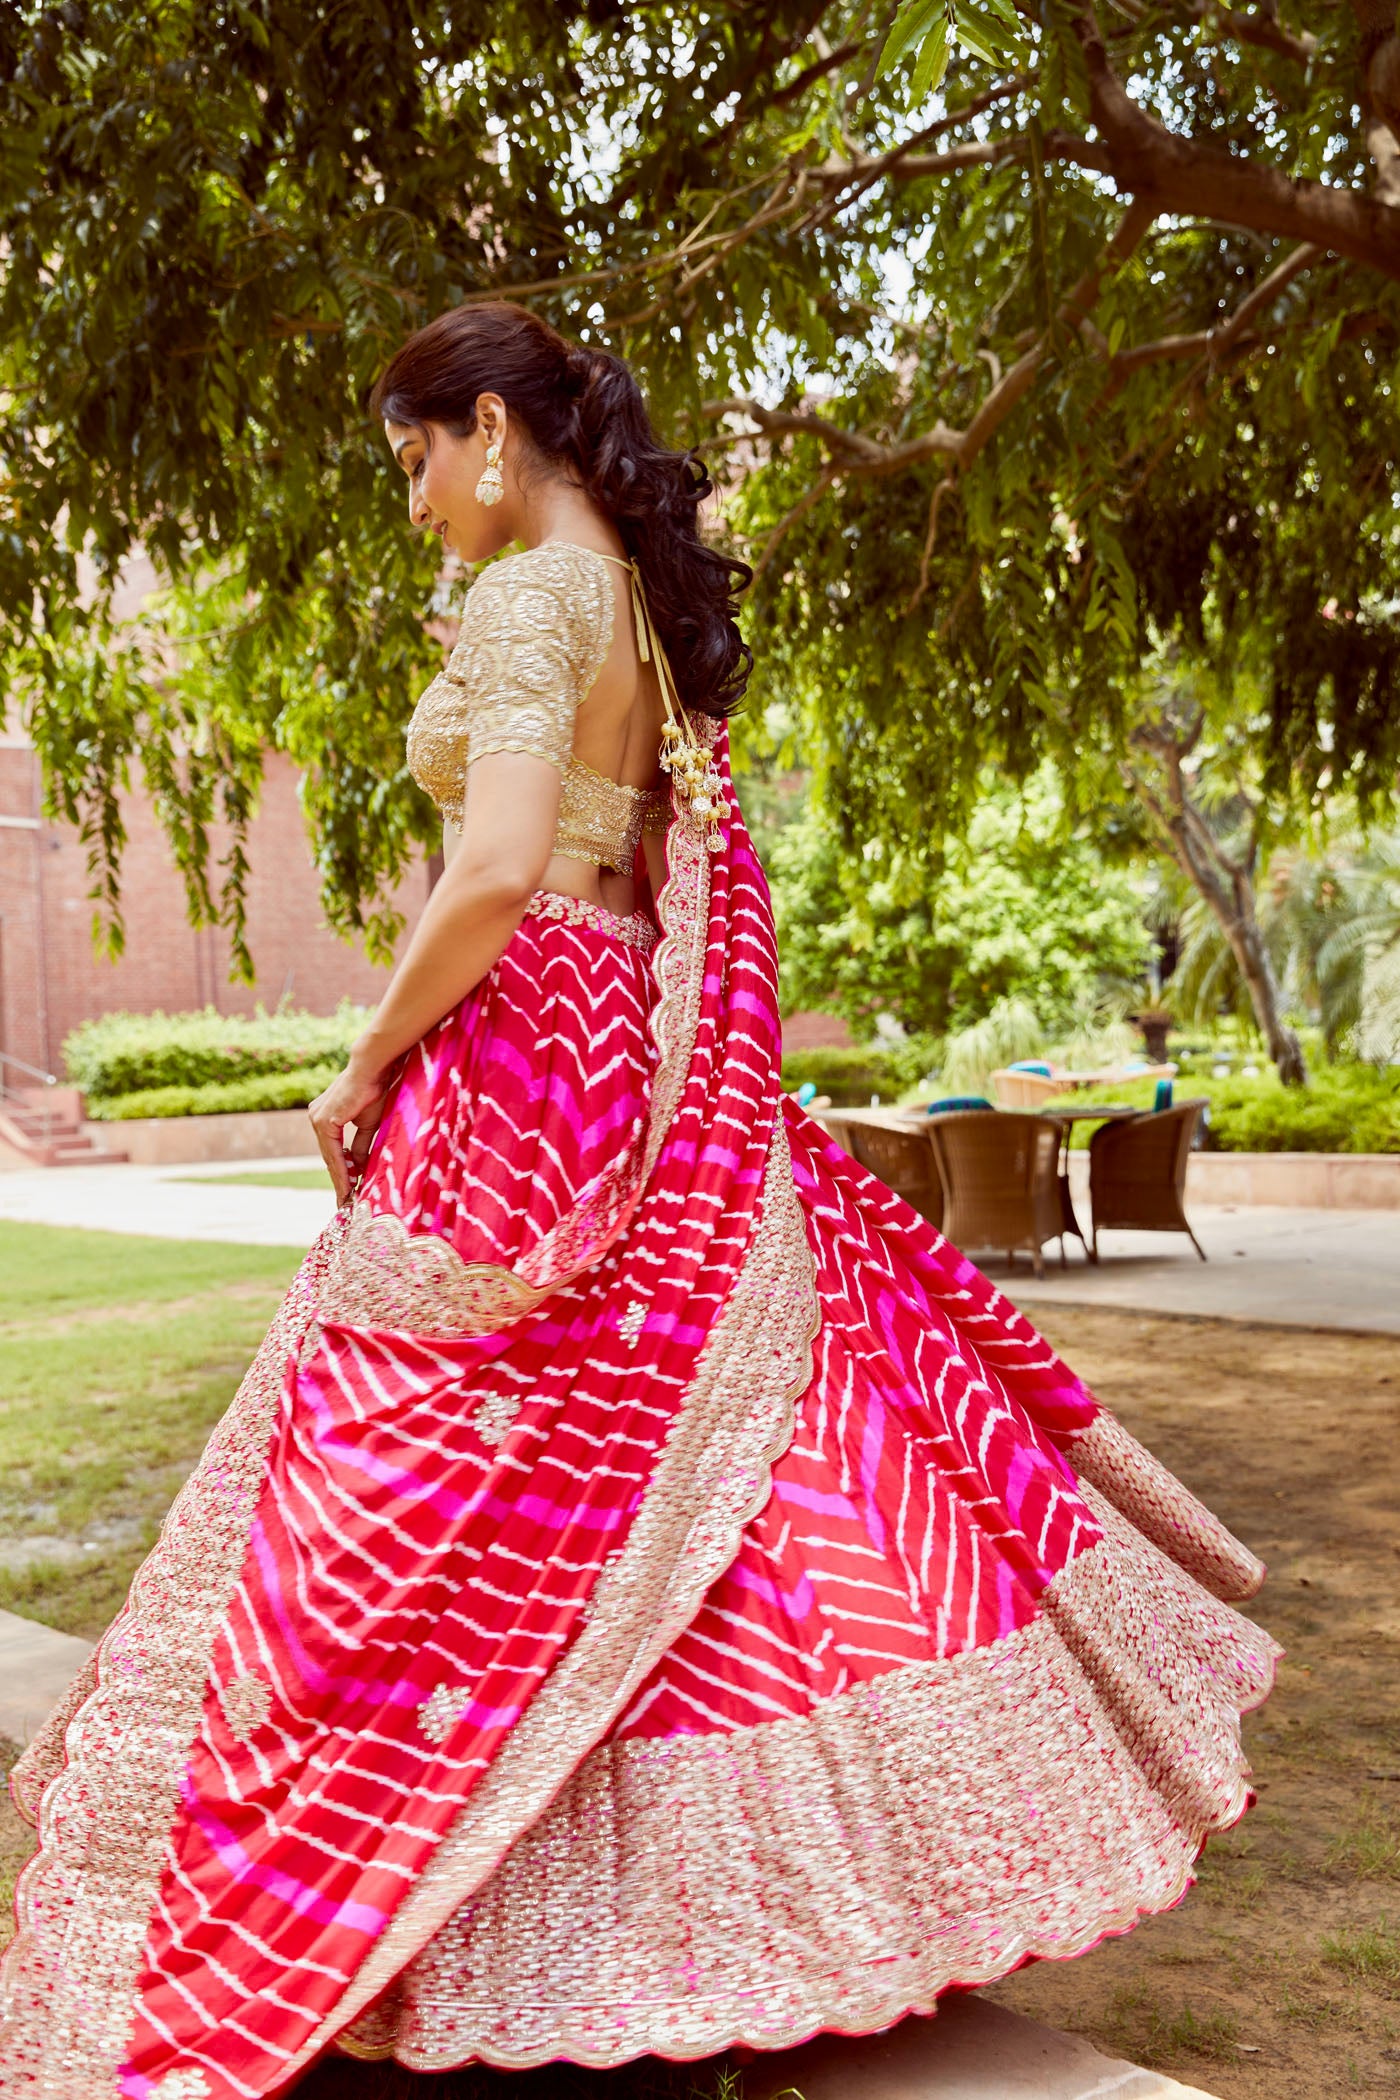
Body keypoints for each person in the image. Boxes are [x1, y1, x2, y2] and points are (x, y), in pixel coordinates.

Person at [1, 303, 1278, 2098]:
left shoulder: (534, 594)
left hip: (531, 1056)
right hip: (628, 1036)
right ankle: (702, 1893)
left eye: (418, 458)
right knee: (695, 1468)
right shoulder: (639, 618)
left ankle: (366, 1863)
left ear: (496, 430)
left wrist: (363, 1059)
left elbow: (508, 862)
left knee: (437, 1472)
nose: (418, 501)